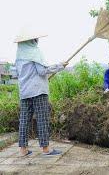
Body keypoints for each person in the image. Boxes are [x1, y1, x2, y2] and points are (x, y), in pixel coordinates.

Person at [14, 27, 68, 157]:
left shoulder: (18, 56)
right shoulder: (35, 52)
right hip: (38, 91)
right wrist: (60, 66)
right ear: (33, 40)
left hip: (25, 92)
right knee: (42, 119)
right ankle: (46, 149)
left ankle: (23, 150)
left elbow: (20, 74)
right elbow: (42, 71)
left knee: (24, 120)